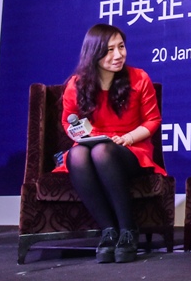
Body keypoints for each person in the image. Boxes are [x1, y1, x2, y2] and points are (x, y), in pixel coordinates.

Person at [57, 23, 165, 264]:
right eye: (109, 50)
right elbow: (68, 122)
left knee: (102, 152)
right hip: (92, 145)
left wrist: (127, 138)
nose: (118, 55)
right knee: (78, 155)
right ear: (93, 53)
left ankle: (128, 229)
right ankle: (108, 231)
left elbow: (152, 120)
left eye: (121, 47)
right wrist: (83, 136)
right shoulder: (76, 84)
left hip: (132, 149)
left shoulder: (139, 78)